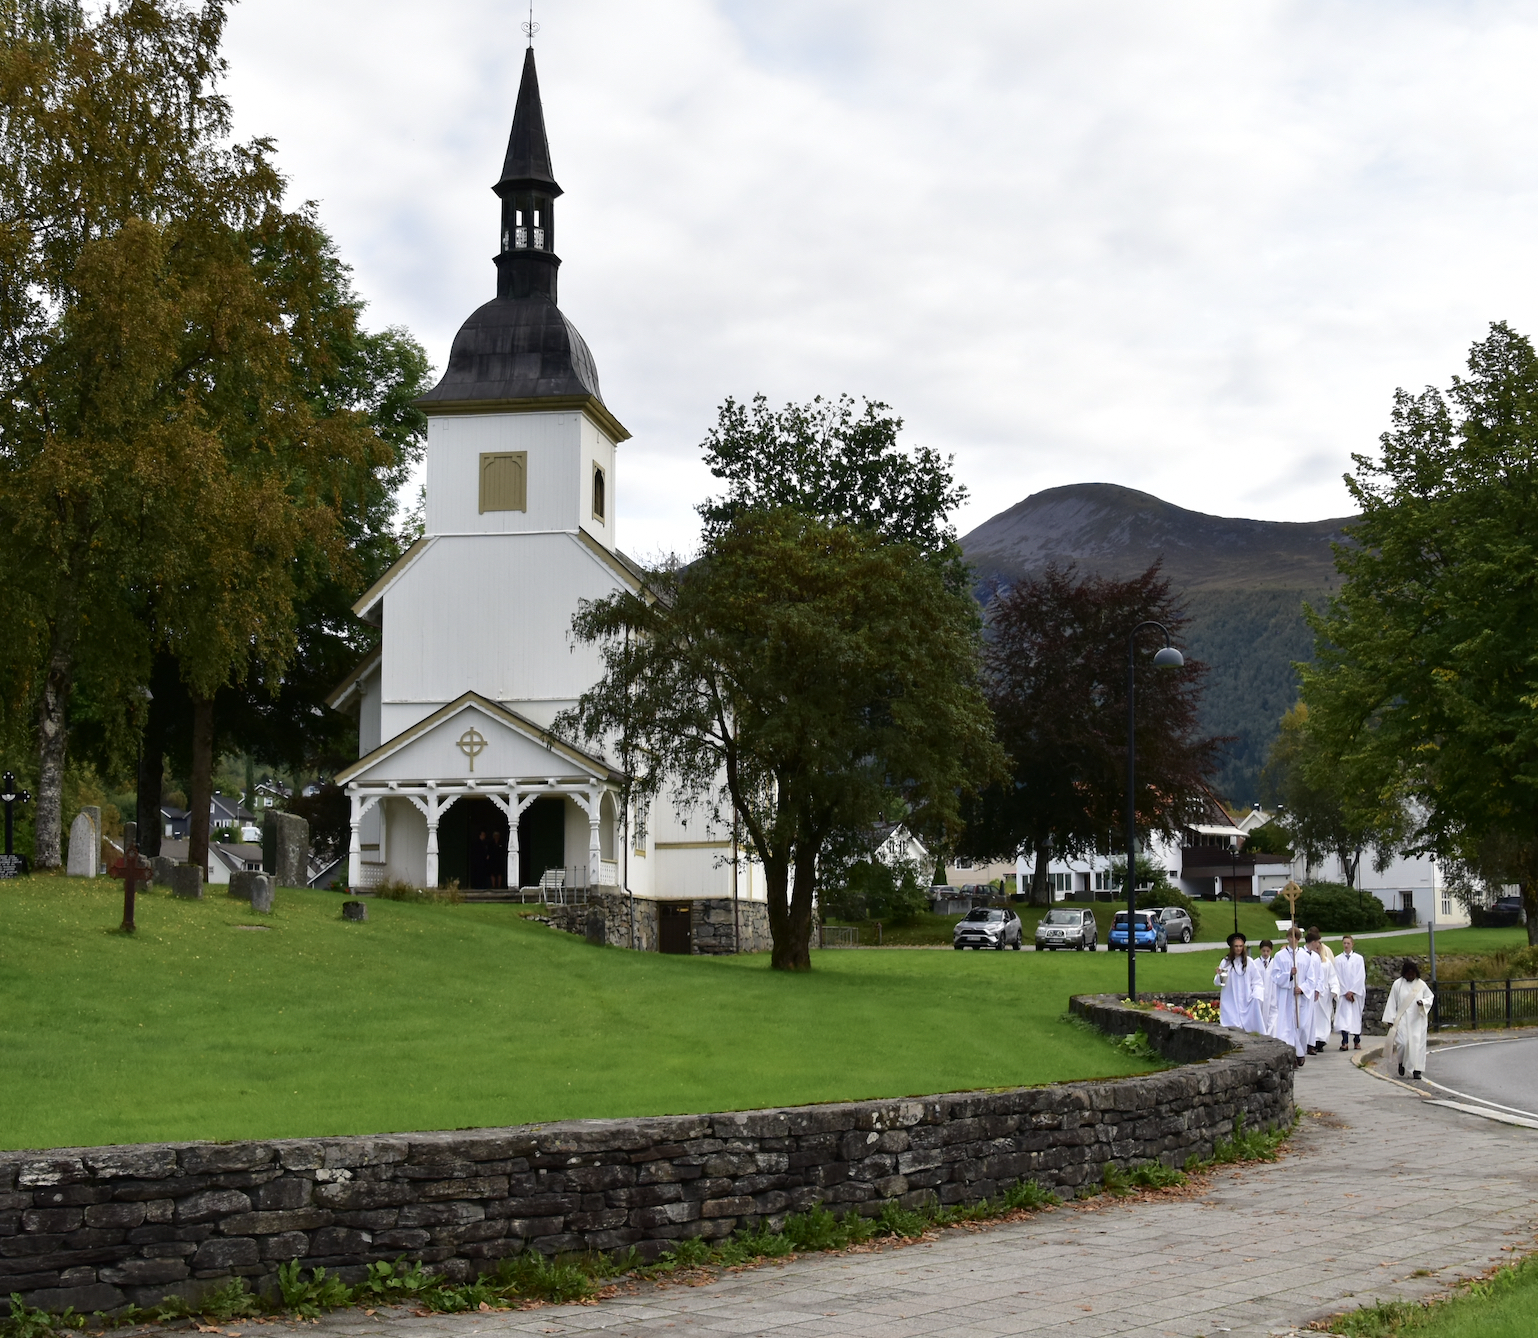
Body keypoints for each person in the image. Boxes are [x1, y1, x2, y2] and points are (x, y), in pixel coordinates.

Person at [1268, 929, 1317, 1067]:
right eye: (1291, 937)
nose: (1293, 939)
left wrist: (1301, 989)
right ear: (1288, 938)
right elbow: (1275, 976)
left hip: (1299, 999)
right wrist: (1289, 975)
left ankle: (1300, 1051)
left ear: (1299, 939)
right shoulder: (1280, 956)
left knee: (1300, 1026)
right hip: (1285, 998)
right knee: (1286, 1027)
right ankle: (1294, 1056)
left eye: (1296, 937)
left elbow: (1311, 979)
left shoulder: (1305, 957)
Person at [1382, 959, 1435, 1079]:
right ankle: (1401, 1062)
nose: (1411, 976)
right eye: (1408, 974)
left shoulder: (1421, 985)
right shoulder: (1398, 984)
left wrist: (1423, 1002)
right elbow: (1392, 1001)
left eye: (1413, 974)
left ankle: (1417, 1070)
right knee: (1403, 1043)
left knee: (1417, 1045)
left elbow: (1430, 997)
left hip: (1417, 1020)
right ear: (1404, 973)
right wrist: (1390, 1019)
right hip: (1402, 1019)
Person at [1214, 932, 1264, 1031]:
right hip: (1231, 1001)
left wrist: (1256, 995)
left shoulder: (1249, 962)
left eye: (1240, 946)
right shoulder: (1226, 962)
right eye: (1236, 946)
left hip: (1246, 1000)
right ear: (1232, 947)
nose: (1238, 949)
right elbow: (1218, 982)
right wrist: (1220, 975)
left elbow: (1257, 981)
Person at [1304, 928, 1338, 1055]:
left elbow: (1330, 977)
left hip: (1322, 995)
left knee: (1322, 1018)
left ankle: (1321, 1040)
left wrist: (1334, 989)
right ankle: (1310, 1041)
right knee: (1310, 1018)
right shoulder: (1305, 957)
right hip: (1308, 994)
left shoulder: (1325, 961)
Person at [1334, 935, 1366, 1050]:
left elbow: (1360, 976)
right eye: (1344, 943)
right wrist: (1345, 991)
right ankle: (1345, 1042)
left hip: (1355, 994)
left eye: (1348, 943)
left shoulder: (1358, 959)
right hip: (1344, 994)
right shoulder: (1338, 960)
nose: (1346, 945)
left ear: (1352, 944)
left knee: (1355, 1017)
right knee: (1344, 1018)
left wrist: (1352, 991)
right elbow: (1337, 976)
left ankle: (1357, 1041)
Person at [1255, 939, 1276, 1033]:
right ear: (1260, 950)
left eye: (1268, 951)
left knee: (1272, 1014)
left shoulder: (1274, 963)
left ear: (1271, 951)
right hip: (1260, 993)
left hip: (1272, 992)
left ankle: (1270, 1033)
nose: (1265, 953)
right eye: (1263, 951)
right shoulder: (1255, 963)